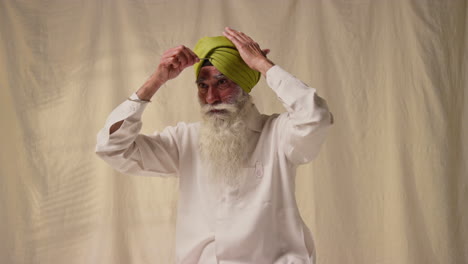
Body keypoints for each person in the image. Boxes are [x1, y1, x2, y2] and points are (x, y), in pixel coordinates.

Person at [96, 27, 333, 264]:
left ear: (244, 86)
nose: (211, 98)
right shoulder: (185, 139)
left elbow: (315, 117)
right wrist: (156, 80)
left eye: (222, 83)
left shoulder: (279, 133)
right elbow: (113, 147)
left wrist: (264, 66)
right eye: (203, 85)